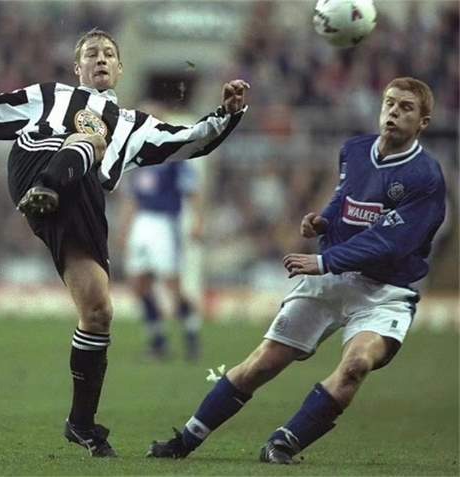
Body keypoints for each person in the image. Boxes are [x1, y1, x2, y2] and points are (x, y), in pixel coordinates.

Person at [0, 28, 249, 458]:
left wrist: (228, 113)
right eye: (91, 53)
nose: (101, 58)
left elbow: (189, 140)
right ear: (77, 68)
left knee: (99, 312)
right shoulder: (49, 96)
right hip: (37, 167)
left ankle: (81, 424)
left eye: (109, 53)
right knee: (92, 134)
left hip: (81, 198)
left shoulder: (135, 126)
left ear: (121, 68)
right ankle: (47, 187)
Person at [147, 77, 446, 463]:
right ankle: (185, 440)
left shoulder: (425, 177)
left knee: (356, 365)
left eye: (406, 108)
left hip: (384, 291)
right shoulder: (354, 151)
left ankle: (284, 443)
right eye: (390, 103)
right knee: (262, 362)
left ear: (423, 122)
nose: (393, 112)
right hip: (332, 280)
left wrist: (324, 260)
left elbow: (391, 242)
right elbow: (345, 199)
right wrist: (324, 221)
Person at [117, 153, 204, 362]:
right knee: (139, 284)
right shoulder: (138, 157)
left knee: (171, 284)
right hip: (141, 223)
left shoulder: (175, 158)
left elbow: (193, 191)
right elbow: (132, 198)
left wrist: (198, 221)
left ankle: (191, 331)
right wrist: (125, 228)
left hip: (166, 223)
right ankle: (158, 341)